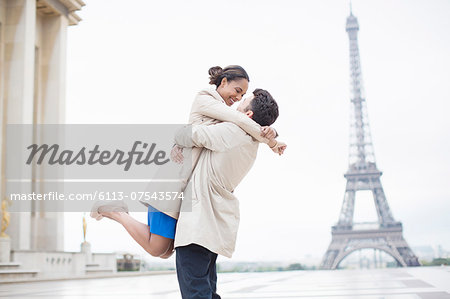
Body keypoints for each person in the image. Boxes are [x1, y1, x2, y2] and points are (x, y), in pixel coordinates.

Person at [90, 66, 286, 260]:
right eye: (237, 91)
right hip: (172, 179)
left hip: (185, 187)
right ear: (224, 82)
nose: (238, 98)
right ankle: (116, 212)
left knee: (167, 251)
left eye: (243, 95)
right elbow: (241, 119)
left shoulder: (226, 114)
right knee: (157, 247)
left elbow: (242, 122)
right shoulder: (205, 98)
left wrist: (270, 131)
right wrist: (271, 140)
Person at [174, 88, 284, 298]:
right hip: (212, 229)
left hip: (198, 226)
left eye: (245, 99)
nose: (239, 101)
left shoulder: (233, 132)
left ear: (248, 115)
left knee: (196, 293)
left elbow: (190, 134)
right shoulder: (252, 142)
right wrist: (272, 136)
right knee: (207, 292)